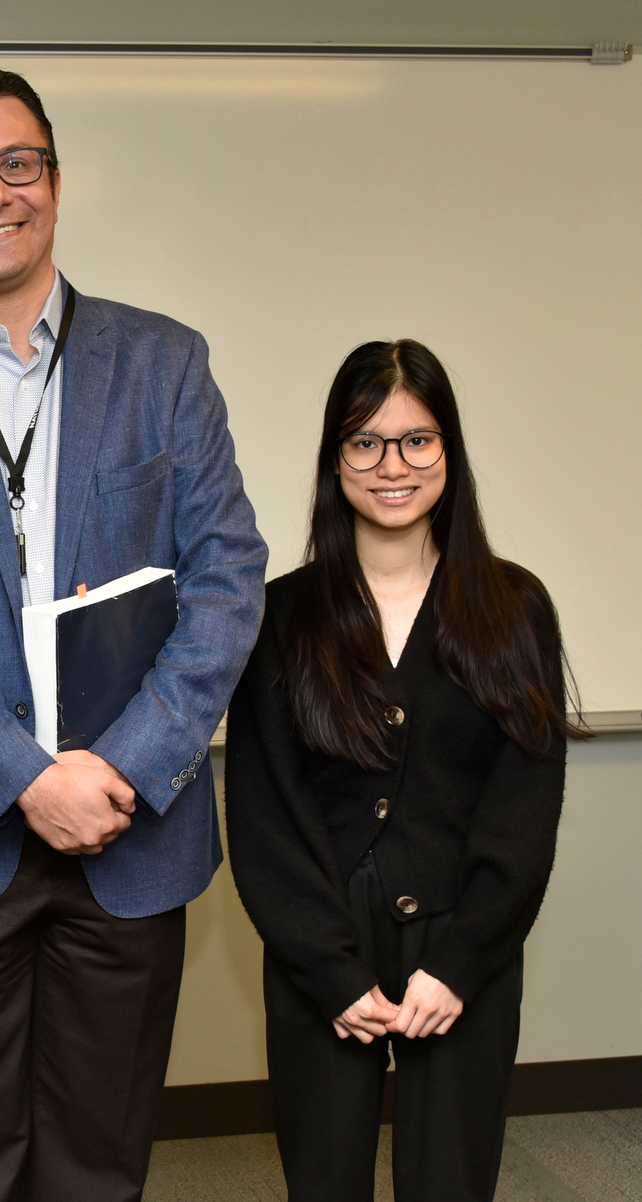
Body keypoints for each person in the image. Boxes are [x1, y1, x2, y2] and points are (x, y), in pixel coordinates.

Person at [0, 67, 268, 1202]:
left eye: (16, 163)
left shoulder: (165, 361)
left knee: (100, 1156)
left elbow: (227, 576)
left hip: (131, 817)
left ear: (55, 183)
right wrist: (27, 778)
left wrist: (119, 767)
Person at [225, 339, 577, 1201]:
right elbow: (265, 815)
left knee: (452, 1180)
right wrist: (333, 974)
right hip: (323, 949)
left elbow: (523, 812)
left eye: (418, 440)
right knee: (324, 1180)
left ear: (449, 454)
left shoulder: (513, 608)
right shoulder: (281, 615)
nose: (393, 465)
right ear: (334, 458)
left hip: (466, 941)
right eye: (365, 441)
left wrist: (460, 964)